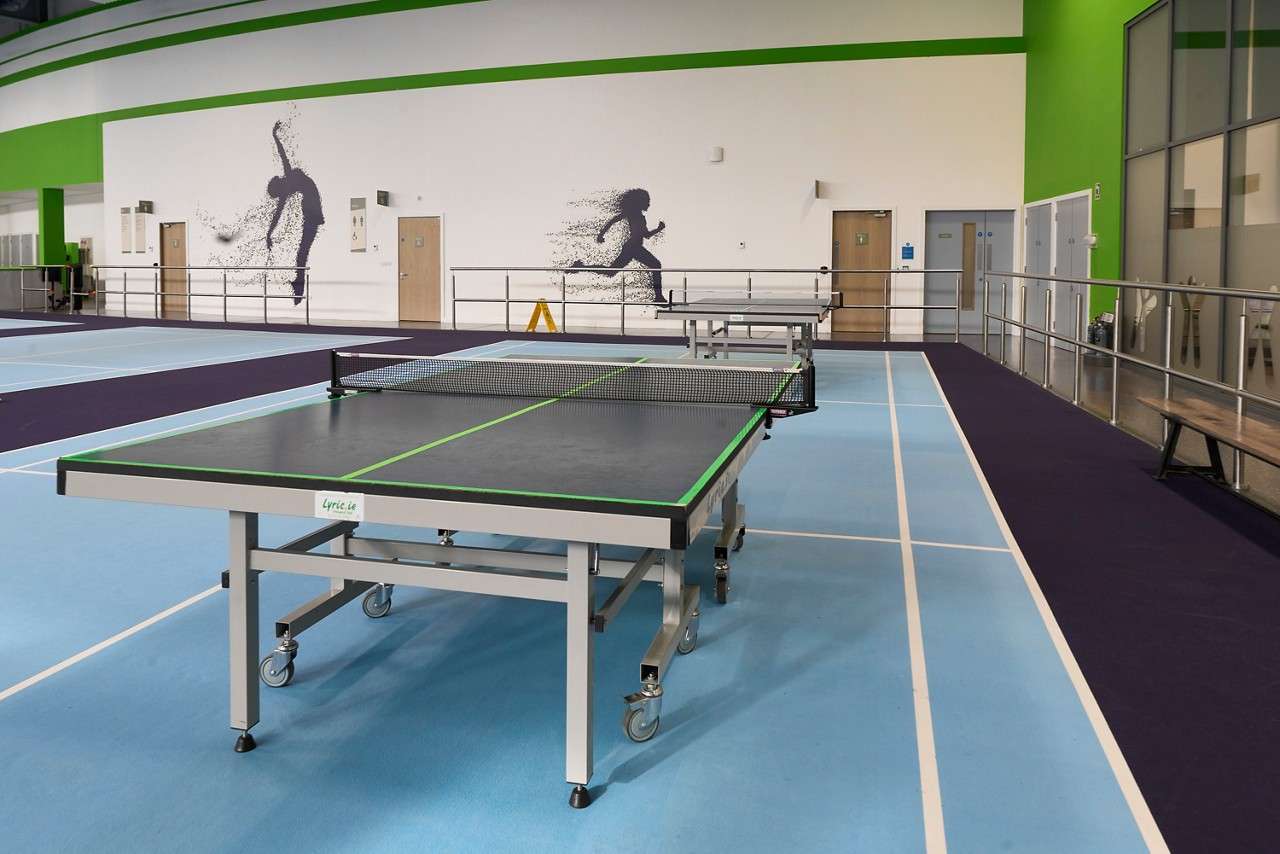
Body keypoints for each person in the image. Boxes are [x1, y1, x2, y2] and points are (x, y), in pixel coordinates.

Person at [568, 189, 665, 301]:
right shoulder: (633, 214)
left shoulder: (639, 217)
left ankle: (580, 267)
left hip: (633, 248)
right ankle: (658, 297)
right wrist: (601, 234)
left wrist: (658, 229)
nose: (649, 204)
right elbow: (613, 221)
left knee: (611, 272)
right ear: (640, 202)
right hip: (633, 248)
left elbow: (646, 235)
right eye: (647, 201)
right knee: (656, 265)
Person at [265, 121, 324, 304]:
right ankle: (298, 289)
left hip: (312, 210)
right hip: (311, 208)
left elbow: (277, 215)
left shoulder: (287, 186)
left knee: (302, 252)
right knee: (302, 252)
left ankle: (298, 290)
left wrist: (269, 233)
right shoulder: (288, 181)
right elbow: (282, 155)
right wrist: (275, 136)